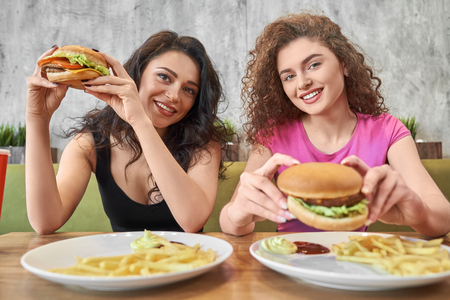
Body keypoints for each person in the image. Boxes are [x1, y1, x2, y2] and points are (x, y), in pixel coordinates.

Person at [219, 12, 450, 238]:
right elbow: (230, 222)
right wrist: (238, 213)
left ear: (345, 64)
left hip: (354, 264)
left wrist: (416, 213)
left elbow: (443, 217)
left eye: (313, 65)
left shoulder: (388, 131)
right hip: (287, 264)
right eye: (288, 76)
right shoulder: (272, 135)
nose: (303, 82)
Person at [26, 30, 228, 234]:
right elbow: (45, 221)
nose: (174, 95)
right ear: (137, 75)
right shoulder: (90, 144)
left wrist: (141, 122)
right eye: (164, 77)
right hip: (121, 264)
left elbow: (191, 221)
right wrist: (37, 118)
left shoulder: (204, 146)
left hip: (191, 264)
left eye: (189, 90)